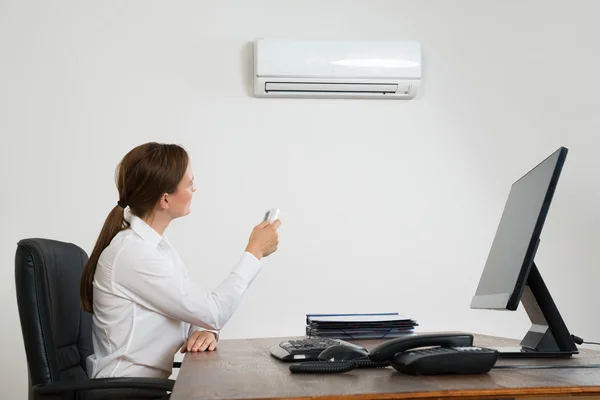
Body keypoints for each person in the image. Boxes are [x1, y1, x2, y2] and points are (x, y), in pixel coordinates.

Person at [80, 142, 280, 379]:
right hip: (126, 392)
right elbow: (212, 312)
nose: (194, 190)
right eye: (189, 183)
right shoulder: (133, 254)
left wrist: (206, 331)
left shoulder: (158, 248)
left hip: (144, 389)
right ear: (165, 199)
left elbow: (194, 311)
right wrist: (254, 252)